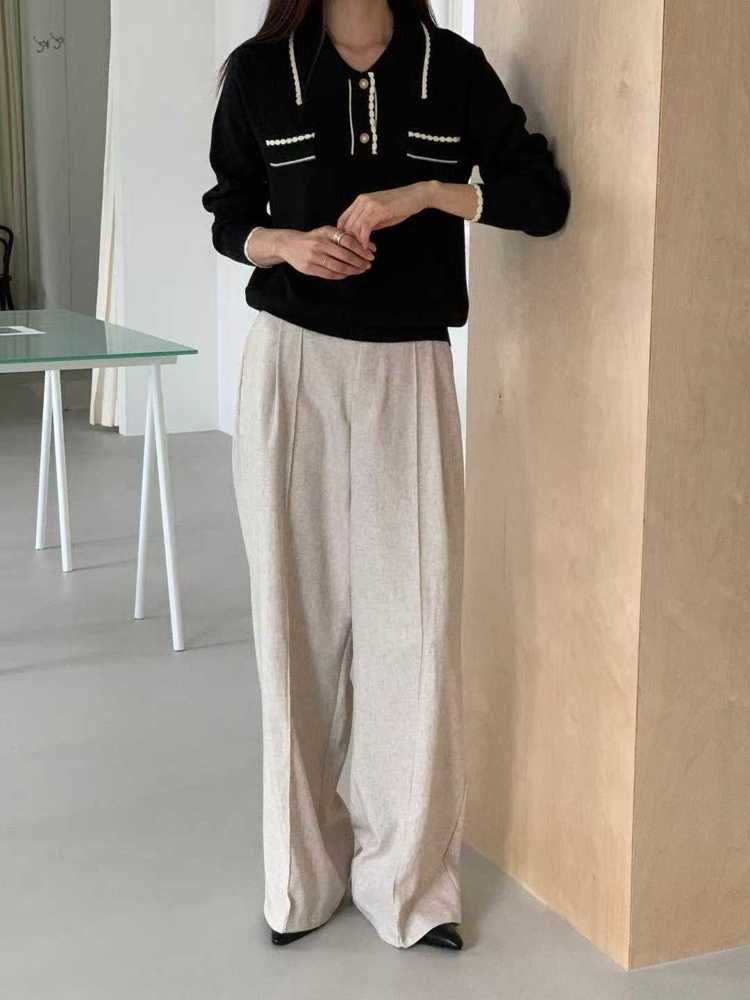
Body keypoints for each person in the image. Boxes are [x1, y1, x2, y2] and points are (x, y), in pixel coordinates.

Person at [201, 0, 570, 953]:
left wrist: (431, 194)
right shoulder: (262, 71)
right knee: (296, 624)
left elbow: (542, 199)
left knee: (416, 624)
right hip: (293, 368)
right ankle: (301, 879)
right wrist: (287, 245)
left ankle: (408, 884)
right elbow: (230, 215)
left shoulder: (452, 68)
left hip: (409, 369)